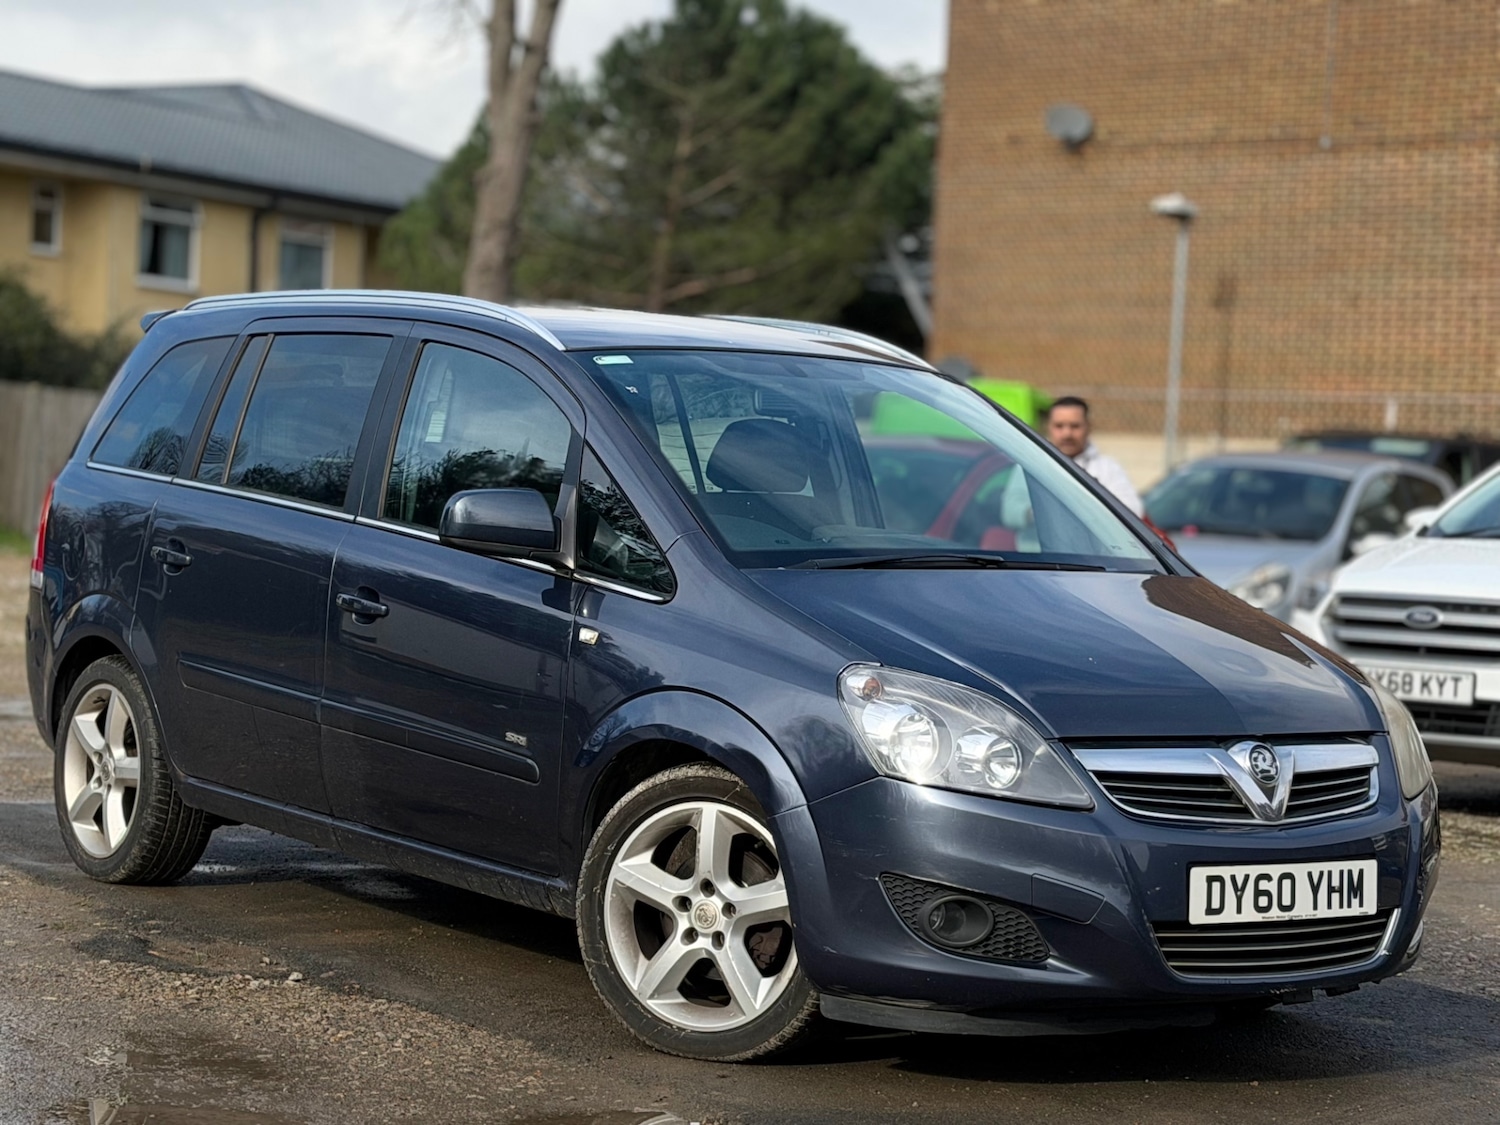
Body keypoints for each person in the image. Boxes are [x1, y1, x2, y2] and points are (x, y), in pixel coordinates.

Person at [1045, 395, 1143, 515]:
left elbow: (1133, 510)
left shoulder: (1107, 468)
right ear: (1049, 428)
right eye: (1059, 426)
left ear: (1088, 427)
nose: (1067, 434)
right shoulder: (1035, 463)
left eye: (1075, 426)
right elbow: (1017, 508)